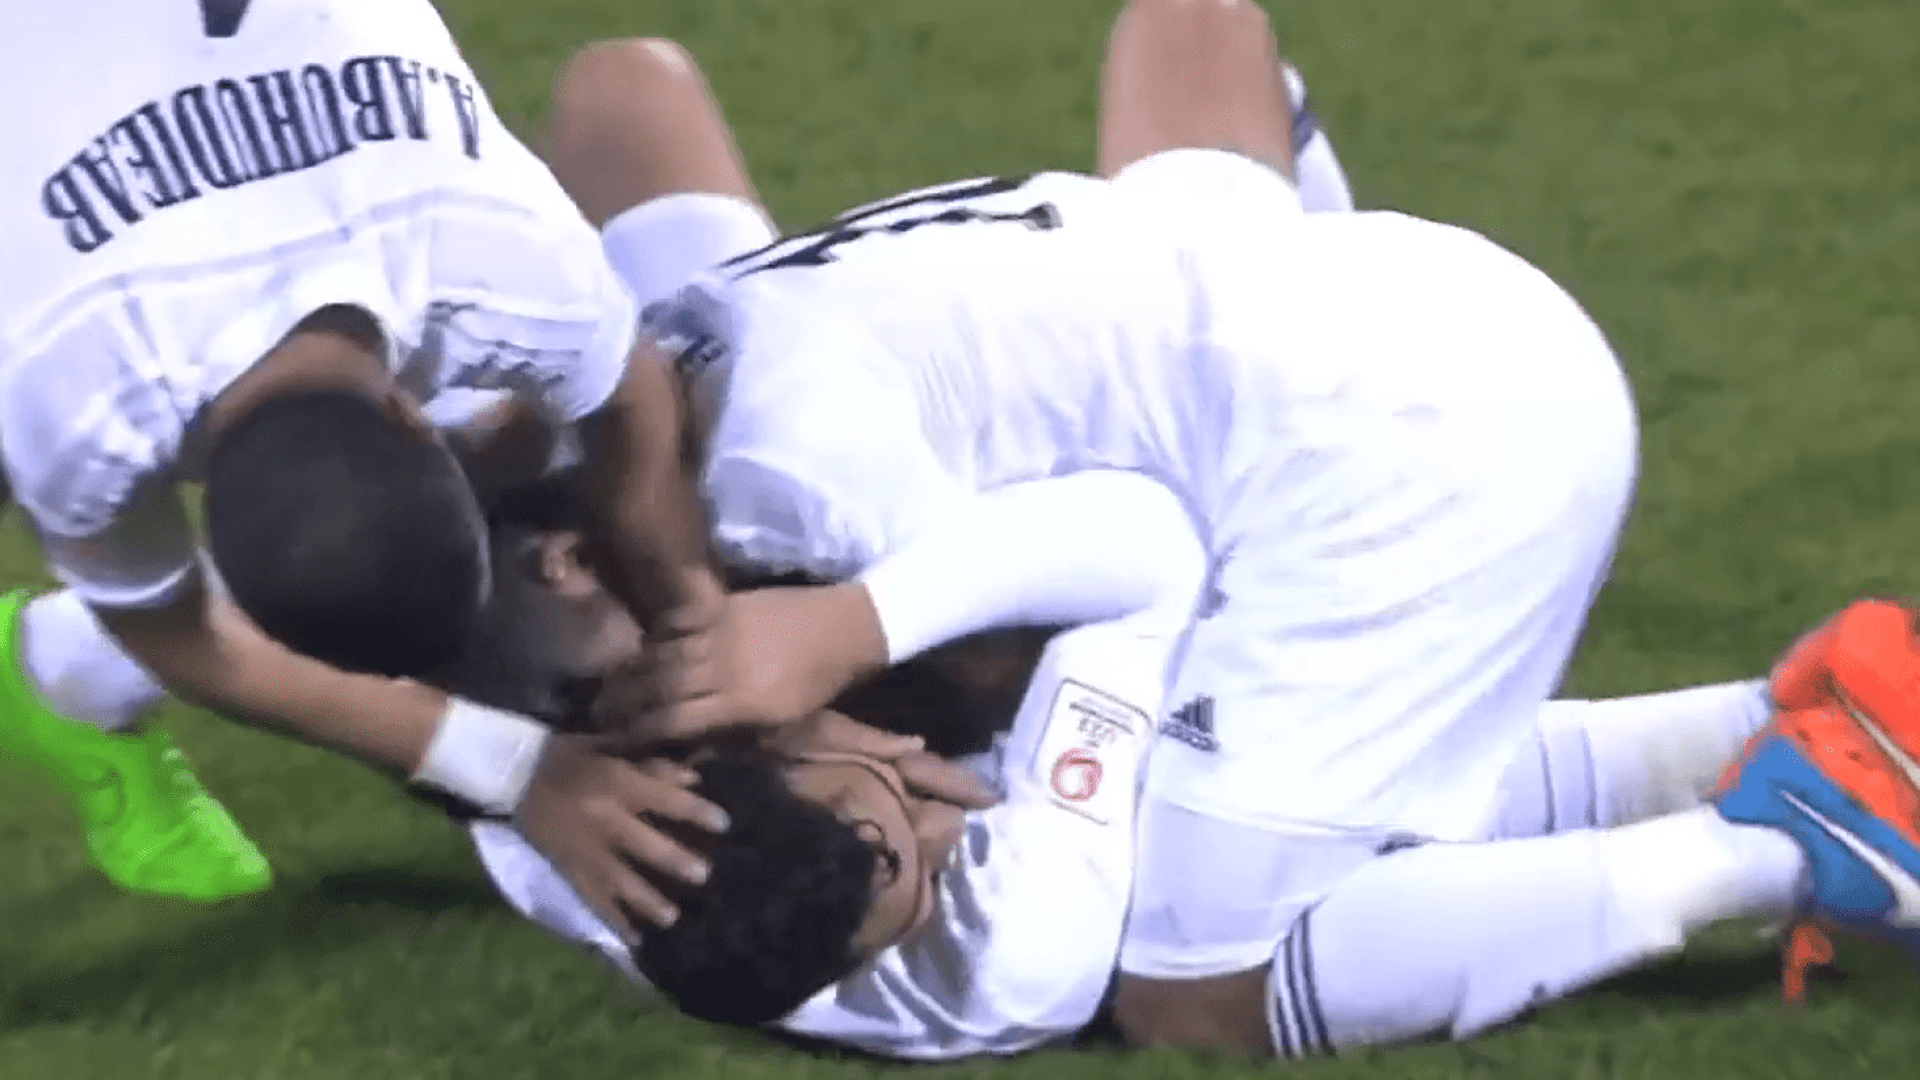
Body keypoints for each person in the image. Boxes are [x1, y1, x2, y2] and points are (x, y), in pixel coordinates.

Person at [530, 2, 1920, 1059]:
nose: (932, 800)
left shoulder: (804, 491)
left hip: (1416, 452)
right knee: (1272, 755)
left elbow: (1115, 566)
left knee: (1194, 985)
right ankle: (1795, 715)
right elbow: (620, 87)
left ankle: (1794, 839)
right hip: (1384, 295)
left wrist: (851, 633)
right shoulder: (697, 345)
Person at [452, 486, 1796, 1058]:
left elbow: (473, 757)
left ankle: (1766, 729)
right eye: (917, 847)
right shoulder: (1017, 936)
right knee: (1194, 960)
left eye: (886, 797)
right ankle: (1770, 842)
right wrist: (870, 635)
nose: (933, 797)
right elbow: (1146, 554)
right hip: (1137, 857)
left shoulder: (572, 848)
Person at [0, 0, 782, 932]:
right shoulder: (68, 403)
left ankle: (69, 664)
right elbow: (182, 638)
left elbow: (634, 407)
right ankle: (62, 669)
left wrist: (699, 622)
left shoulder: (507, 258)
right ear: (411, 417)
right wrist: (516, 771)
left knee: (517, 440)